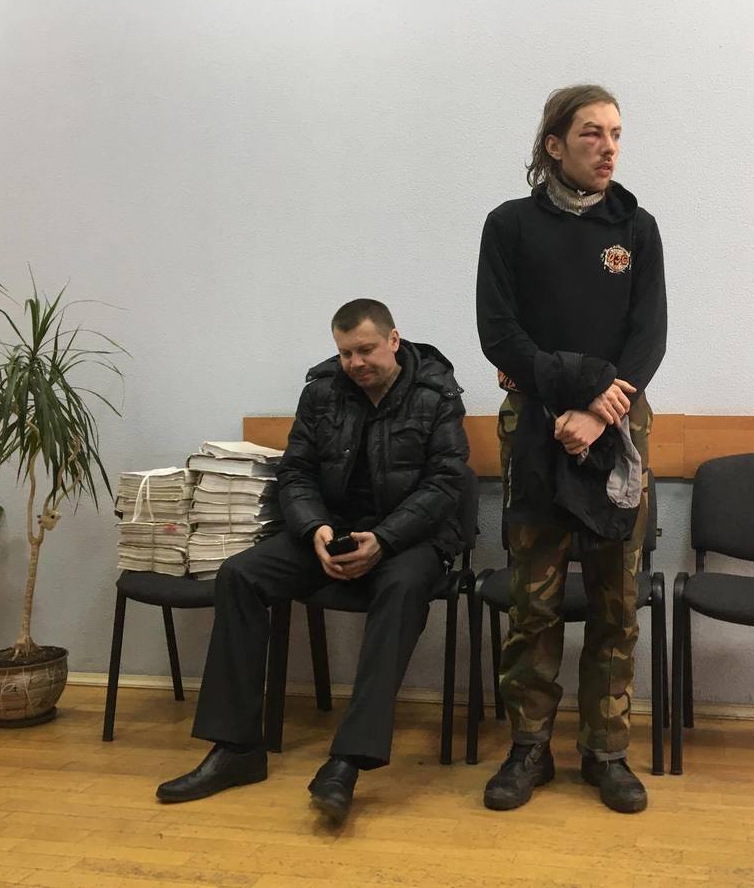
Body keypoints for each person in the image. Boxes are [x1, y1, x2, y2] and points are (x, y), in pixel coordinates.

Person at [156, 298, 469, 825]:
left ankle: (346, 763)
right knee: (240, 575)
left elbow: (446, 483)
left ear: (394, 340)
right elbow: (296, 473)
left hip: (411, 539)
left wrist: (384, 539)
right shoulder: (322, 391)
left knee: (401, 589)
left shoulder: (436, 393)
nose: (355, 363)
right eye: (346, 353)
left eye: (365, 350)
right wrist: (314, 529)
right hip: (331, 529)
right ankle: (237, 749)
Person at [475, 84, 667, 814]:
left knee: (617, 600)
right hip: (536, 429)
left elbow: (648, 336)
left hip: (617, 431)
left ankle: (605, 751)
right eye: (592, 133)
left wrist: (598, 409)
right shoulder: (509, 226)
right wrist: (574, 394)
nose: (608, 147)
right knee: (535, 601)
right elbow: (500, 335)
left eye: (616, 133)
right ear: (554, 145)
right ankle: (529, 749)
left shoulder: (637, 228)